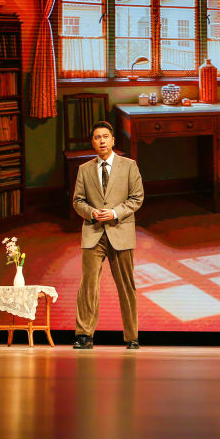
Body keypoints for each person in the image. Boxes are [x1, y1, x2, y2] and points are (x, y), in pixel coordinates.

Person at [72, 121, 145, 350]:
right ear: (92, 142)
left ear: (113, 140)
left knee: (126, 285)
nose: (102, 141)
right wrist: (92, 213)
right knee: (88, 285)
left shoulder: (129, 166)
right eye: (97, 137)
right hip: (93, 232)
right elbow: (78, 201)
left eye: (105, 136)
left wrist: (114, 213)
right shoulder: (84, 169)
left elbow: (137, 198)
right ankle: (84, 335)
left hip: (120, 231)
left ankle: (132, 337)